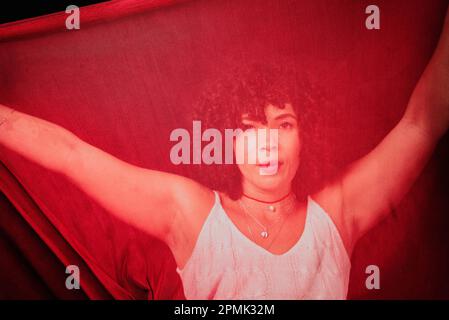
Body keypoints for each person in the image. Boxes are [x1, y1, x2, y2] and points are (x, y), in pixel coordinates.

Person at [0, 8, 448, 299]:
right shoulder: (190, 213)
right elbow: (72, 155)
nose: (268, 142)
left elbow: (423, 122)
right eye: (249, 128)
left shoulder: (338, 211)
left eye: (284, 124)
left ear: (305, 137)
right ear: (225, 142)